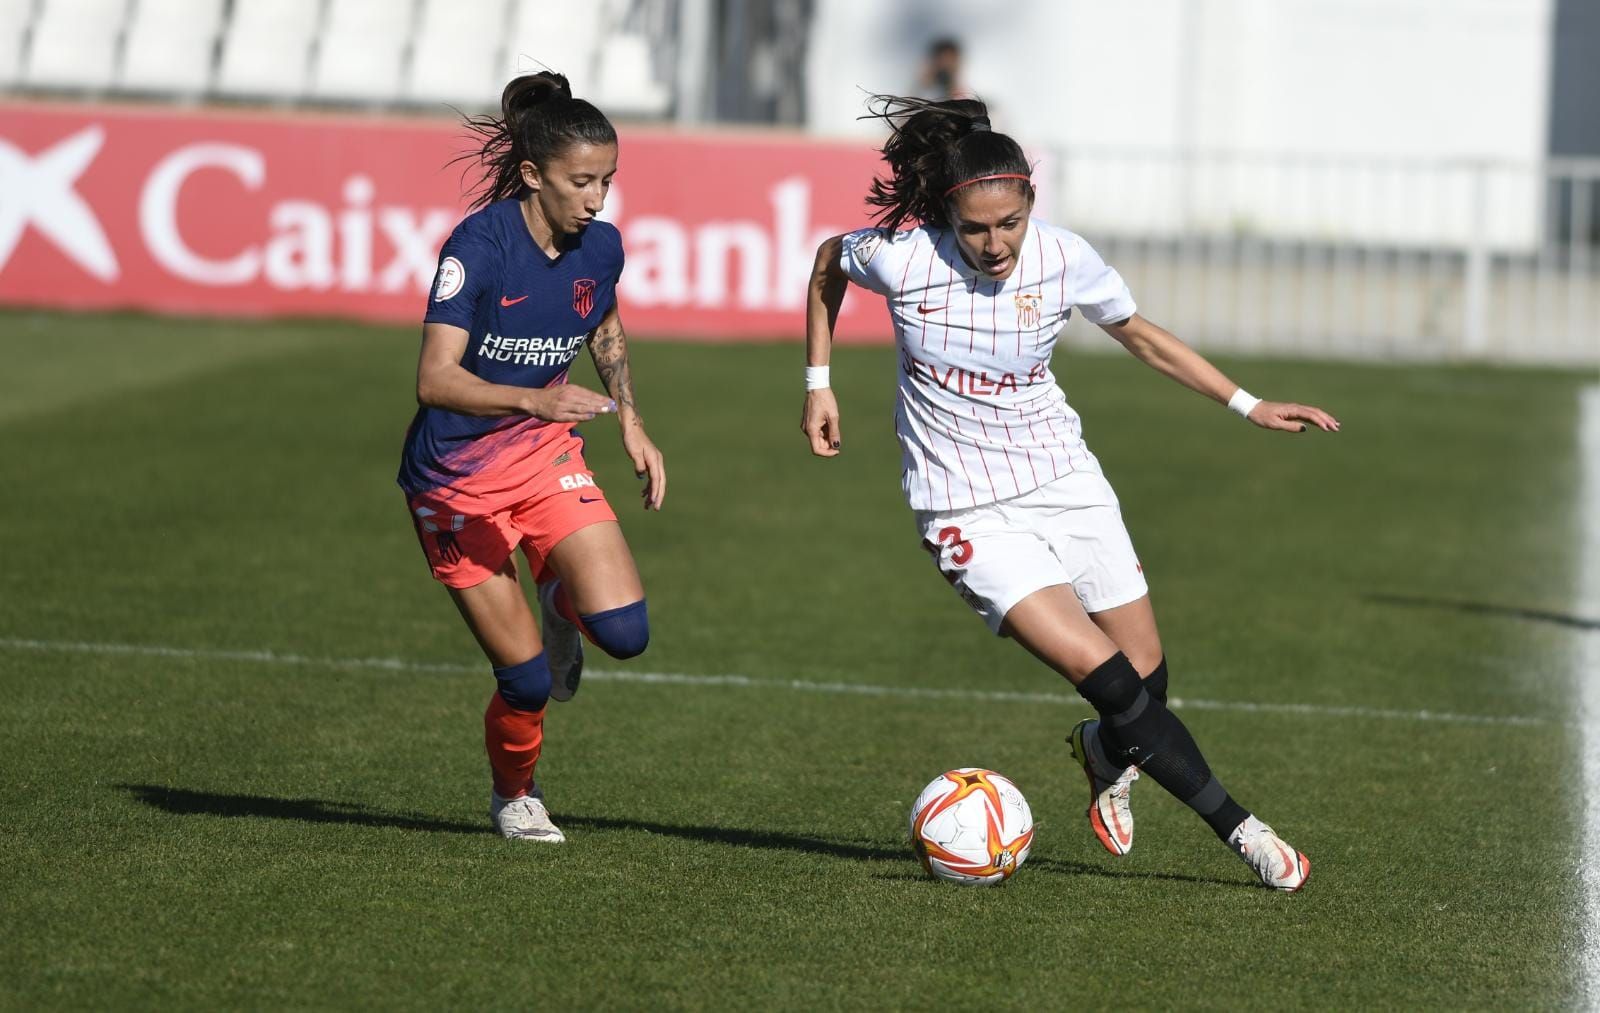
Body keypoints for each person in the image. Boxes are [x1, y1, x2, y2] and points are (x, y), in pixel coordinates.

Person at [801, 95, 1338, 890]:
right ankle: (1244, 831)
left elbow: (1143, 337)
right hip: (963, 507)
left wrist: (1248, 403)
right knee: (1114, 681)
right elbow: (827, 263)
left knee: (1148, 681)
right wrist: (819, 382)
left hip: (1064, 478)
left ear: (1029, 206)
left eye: (1009, 223)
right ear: (948, 212)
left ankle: (1098, 751)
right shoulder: (903, 258)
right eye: (977, 227)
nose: (995, 243)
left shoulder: (1063, 258)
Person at [399, 71, 665, 844]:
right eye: (581, 181)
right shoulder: (478, 247)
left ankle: (561, 607)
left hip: (543, 456)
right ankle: (515, 795)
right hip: (452, 482)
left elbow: (603, 325)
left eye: (607, 181)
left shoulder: (602, 247)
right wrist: (534, 398)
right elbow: (434, 379)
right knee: (525, 679)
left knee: (625, 632)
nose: (597, 198)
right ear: (531, 175)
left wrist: (633, 424)